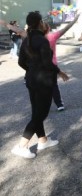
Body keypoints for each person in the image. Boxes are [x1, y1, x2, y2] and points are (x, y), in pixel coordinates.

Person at [12, 12, 69, 159]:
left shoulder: (27, 40)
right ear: (39, 23)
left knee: (37, 112)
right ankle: (21, 146)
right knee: (41, 114)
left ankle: (43, 140)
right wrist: (60, 72)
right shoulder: (42, 41)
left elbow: (21, 62)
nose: (44, 23)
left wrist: (31, 70)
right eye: (42, 21)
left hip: (31, 80)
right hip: (43, 81)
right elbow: (47, 64)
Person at [45, 13, 80, 111]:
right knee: (53, 85)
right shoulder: (52, 36)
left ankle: (43, 105)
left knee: (42, 86)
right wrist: (74, 19)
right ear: (48, 29)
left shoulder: (38, 38)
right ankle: (59, 104)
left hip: (41, 65)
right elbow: (66, 29)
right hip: (53, 64)